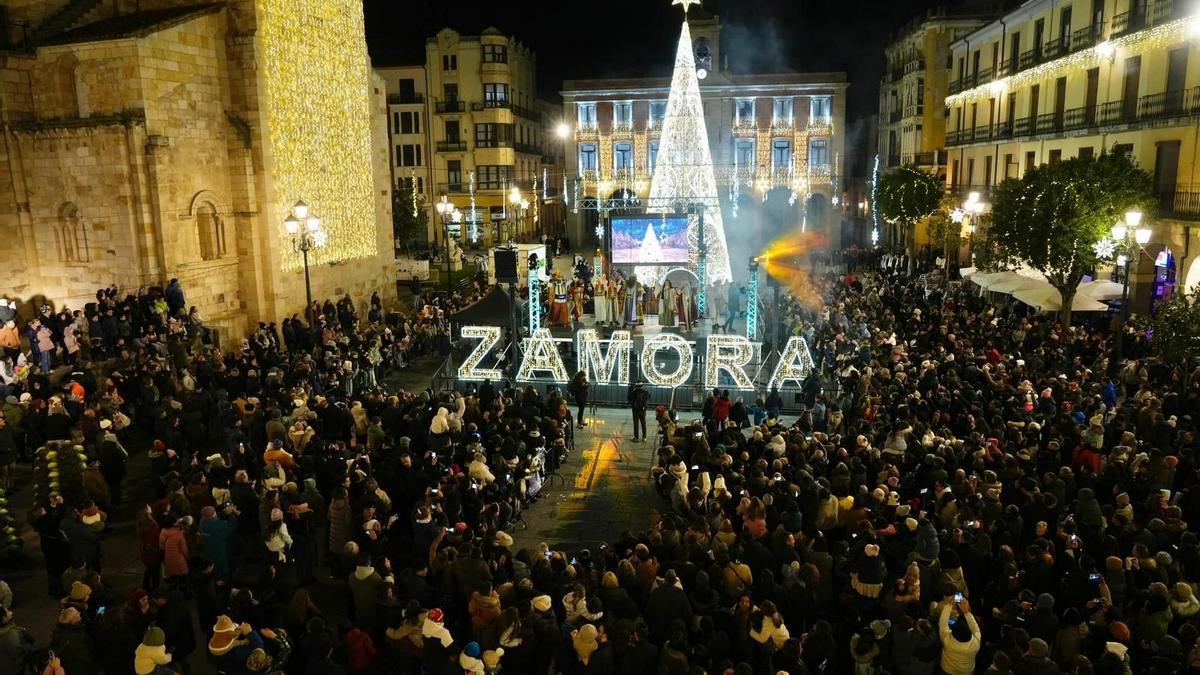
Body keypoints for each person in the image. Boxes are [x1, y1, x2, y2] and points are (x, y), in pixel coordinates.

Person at [938, 598, 980, 675]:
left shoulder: (946, 639)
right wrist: (966, 612)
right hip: (966, 671)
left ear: (953, 632)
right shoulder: (976, 643)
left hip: (947, 670)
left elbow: (942, 623)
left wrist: (949, 605)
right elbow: (975, 629)